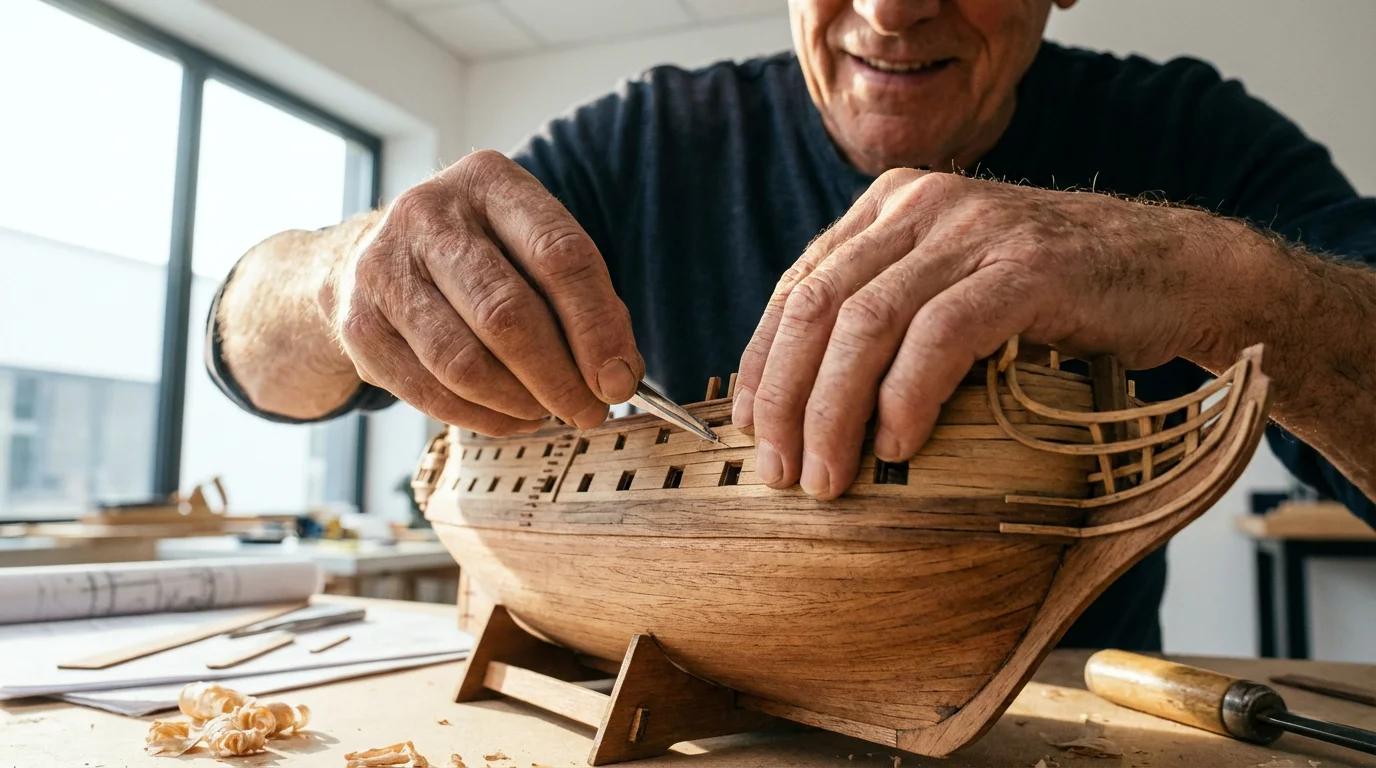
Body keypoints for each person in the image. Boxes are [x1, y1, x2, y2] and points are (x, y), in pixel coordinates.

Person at [205, 0, 1376, 650]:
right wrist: (334, 274)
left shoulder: (1191, 139)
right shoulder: (643, 145)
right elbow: (250, 365)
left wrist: (1231, 282)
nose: (886, 8)